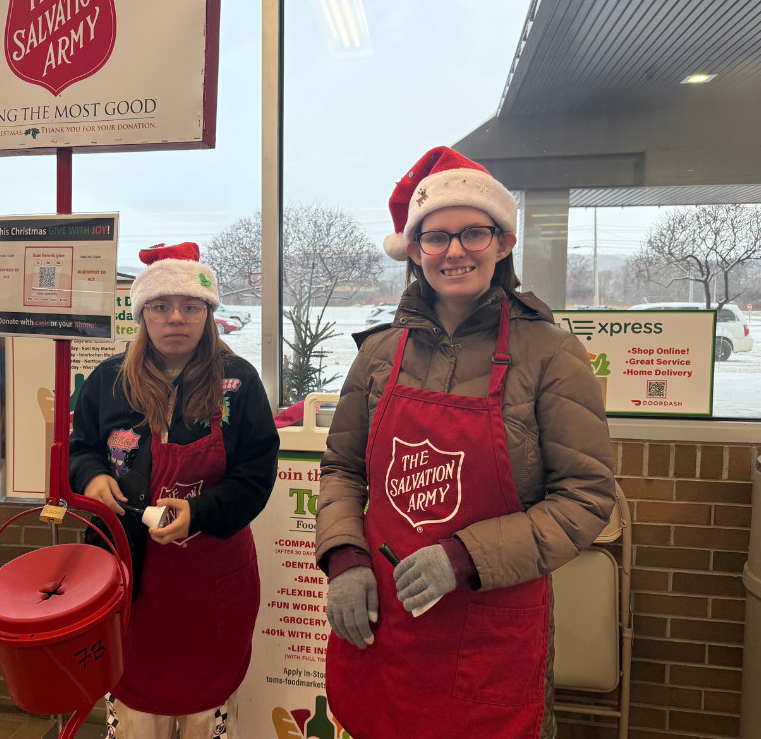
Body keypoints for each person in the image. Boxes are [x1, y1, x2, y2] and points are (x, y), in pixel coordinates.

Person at [315, 147, 616, 739]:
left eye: (472, 233)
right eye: (436, 237)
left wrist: (465, 556)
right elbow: (342, 470)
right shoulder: (379, 355)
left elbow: (585, 499)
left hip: (488, 630)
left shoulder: (552, 355)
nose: (454, 251)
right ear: (416, 252)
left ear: (503, 244)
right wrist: (344, 557)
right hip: (386, 622)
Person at [69, 242, 279, 739]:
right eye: (161, 307)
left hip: (210, 582)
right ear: (143, 315)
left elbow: (256, 473)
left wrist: (200, 510)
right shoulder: (109, 380)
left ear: (208, 314)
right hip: (127, 578)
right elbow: (81, 449)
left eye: (191, 306)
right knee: (137, 714)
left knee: (204, 715)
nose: (176, 318)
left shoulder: (240, 382)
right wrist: (91, 477)